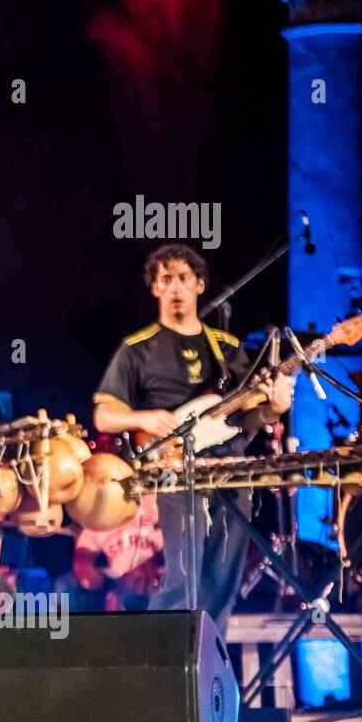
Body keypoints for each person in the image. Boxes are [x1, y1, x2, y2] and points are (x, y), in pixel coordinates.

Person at [92, 243, 293, 637]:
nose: (176, 287)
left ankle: (203, 667)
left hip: (232, 469)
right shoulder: (137, 348)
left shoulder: (228, 348)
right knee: (183, 579)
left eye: (184, 278)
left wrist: (273, 408)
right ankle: (158, 657)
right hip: (175, 471)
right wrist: (147, 416)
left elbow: (247, 418)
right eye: (166, 279)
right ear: (154, 289)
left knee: (223, 579)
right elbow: (104, 414)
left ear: (200, 284)